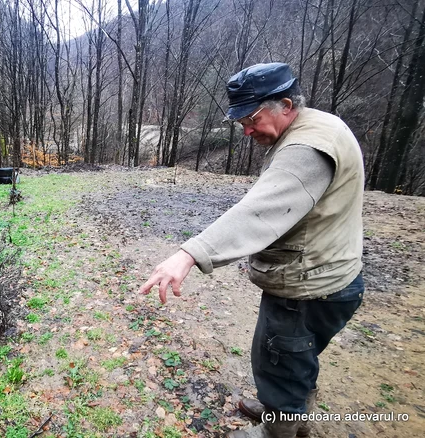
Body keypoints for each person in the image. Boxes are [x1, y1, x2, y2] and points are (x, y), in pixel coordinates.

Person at [138, 62, 365, 438]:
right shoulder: (321, 124)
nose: (246, 130)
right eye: (240, 121)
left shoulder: (305, 150)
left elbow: (259, 212)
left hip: (307, 287)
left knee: (281, 361)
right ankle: (289, 413)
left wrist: (189, 254)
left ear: (286, 105)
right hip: (332, 274)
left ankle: (277, 427)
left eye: (252, 119)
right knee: (296, 357)